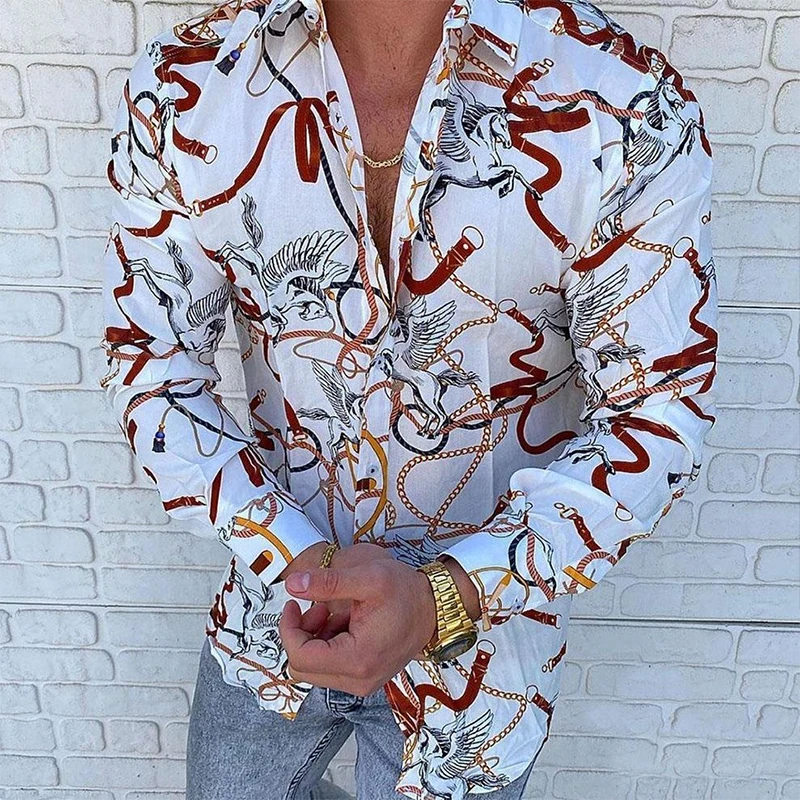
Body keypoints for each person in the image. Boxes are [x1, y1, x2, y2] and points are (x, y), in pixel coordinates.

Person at [98, 0, 719, 797]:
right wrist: (295, 558)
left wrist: (442, 599)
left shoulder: (623, 107)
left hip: (481, 663)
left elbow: (656, 411)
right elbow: (150, 360)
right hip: (267, 620)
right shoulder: (190, 85)